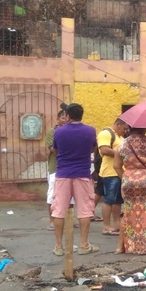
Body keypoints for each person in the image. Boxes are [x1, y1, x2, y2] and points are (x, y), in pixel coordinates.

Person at [50, 103, 98, 256]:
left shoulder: (59, 132)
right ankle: (84, 245)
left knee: (58, 210)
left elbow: (55, 150)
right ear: (81, 115)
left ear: (68, 116)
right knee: (84, 211)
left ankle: (58, 246)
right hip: (82, 174)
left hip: (63, 174)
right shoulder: (90, 130)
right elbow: (92, 148)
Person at [113, 127, 146, 254]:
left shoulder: (122, 143)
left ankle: (125, 246)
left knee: (128, 213)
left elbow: (116, 166)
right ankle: (144, 247)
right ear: (144, 129)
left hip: (128, 181)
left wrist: (126, 178)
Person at [98, 118, 129, 236]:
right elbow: (104, 149)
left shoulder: (120, 137)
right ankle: (106, 226)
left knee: (117, 201)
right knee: (109, 200)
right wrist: (120, 154)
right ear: (118, 124)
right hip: (110, 172)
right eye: (124, 128)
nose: (125, 131)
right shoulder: (106, 133)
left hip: (119, 171)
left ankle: (116, 224)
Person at [46, 109, 67, 231]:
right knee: (52, 195)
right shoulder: (51, 132)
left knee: (70, 197)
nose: (65, 120)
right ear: (57, 119)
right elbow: (53, 149)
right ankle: (52, 221)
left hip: (68, 168)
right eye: (63, 118)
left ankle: (68, 219)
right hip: (55, 167)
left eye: (66, 118)